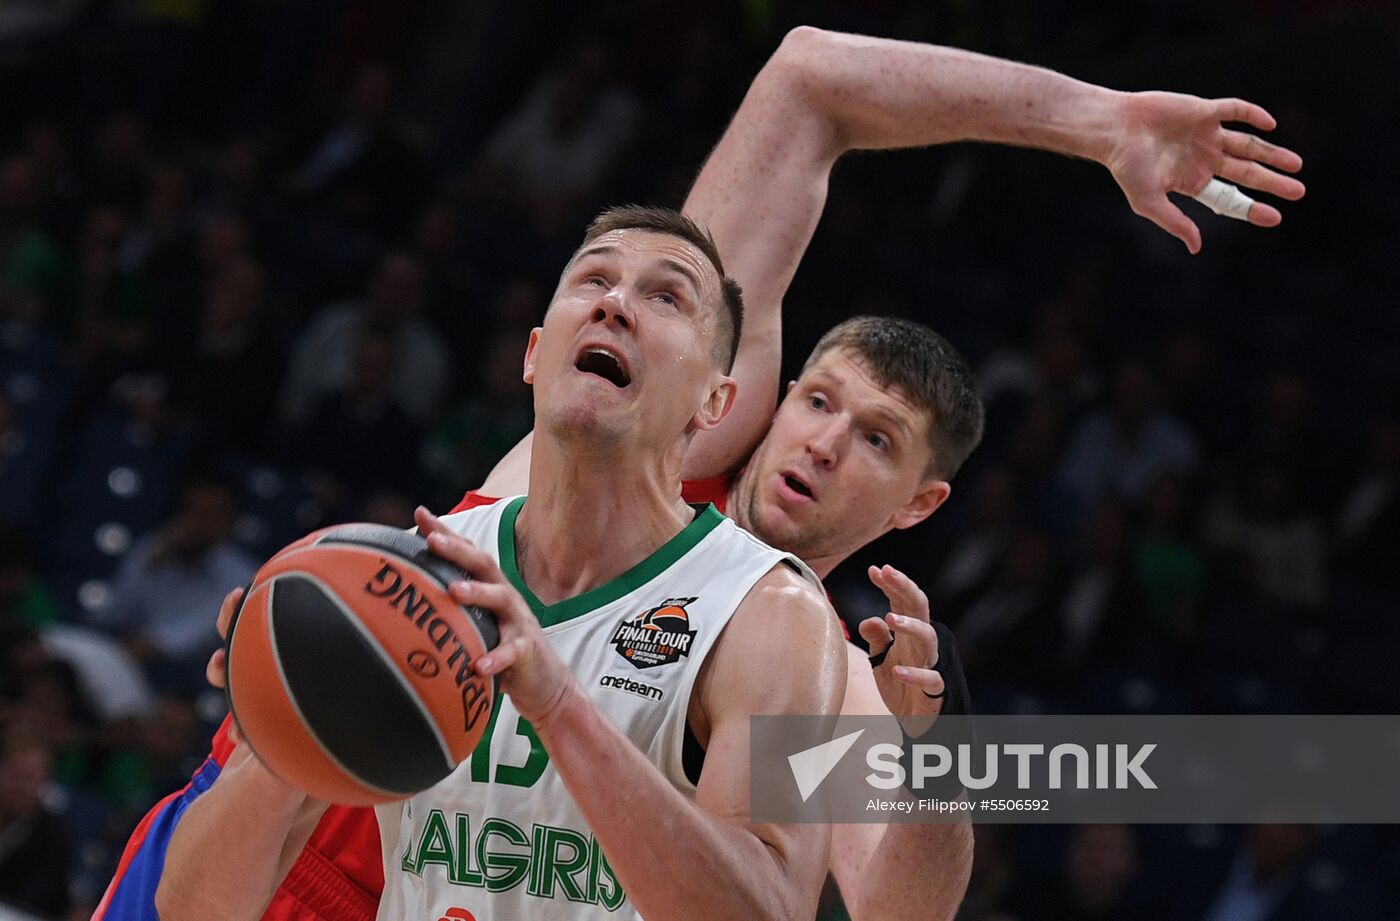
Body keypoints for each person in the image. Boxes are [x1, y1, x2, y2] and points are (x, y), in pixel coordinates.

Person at [97, 25, 1304, 921]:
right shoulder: (628, 420)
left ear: (917, 507)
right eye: (818, 402)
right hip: (258, 844)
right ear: (752, 399)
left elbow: (891, 907)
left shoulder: (810, 653)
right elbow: (809, 79)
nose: (823, 441)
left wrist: (940, 758)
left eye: (874, 440)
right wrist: (1092, 119)